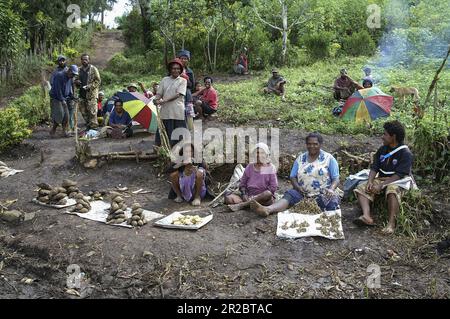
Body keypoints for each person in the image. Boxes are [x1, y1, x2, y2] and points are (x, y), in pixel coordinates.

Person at [251, 133, 340, 217]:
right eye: (309, 144)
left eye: (315, 144)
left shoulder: (329, 159)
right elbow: (292, 176)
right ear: (306, 144)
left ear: (320, 144)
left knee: (332, 201)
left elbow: (336, 178)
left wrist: (331, 189)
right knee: (290, 195)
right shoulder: (300, 158)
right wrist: (297, 187)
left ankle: (327, 218)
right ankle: (268, 209)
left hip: (322, 194)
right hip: (303, 195)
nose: (312, 146)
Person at [353, 121, 414, 234]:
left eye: (385, 134)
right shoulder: (382, 150)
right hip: (381, 178)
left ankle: (391, 224)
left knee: (392, 190)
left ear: (393, 136)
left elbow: (400, 175)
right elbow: (374, 167)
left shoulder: (405, 153)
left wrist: (382, 185)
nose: (382, 137)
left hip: (398, 181)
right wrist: (370, 181)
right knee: (362, 187)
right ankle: (367, 216)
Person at [225, 143, 278, 211]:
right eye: (257, 153)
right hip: (249, 196)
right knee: (228, 198)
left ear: (267, 155)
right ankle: (249, 204)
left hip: (263, 198)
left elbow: (273, 188)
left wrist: (255, 197)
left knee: (267, 194)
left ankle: (242, 205)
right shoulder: (250, 167)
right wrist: (244, 195)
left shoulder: (270, 167)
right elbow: (242, 184)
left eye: (262, 153)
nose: (259, 155)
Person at [154, 58, 187, 147]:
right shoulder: (164, 80)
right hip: (166, 109)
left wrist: (163, 100)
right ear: (170, 69)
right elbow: (159, 93)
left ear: (180, 70)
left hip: (177, 110)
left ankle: (179, 148)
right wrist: (156, 100)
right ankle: (164, 146)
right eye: (173, 68)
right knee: (165, 128)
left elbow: (178, 94)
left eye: (178, 69)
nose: (176, 70)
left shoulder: (183, 81)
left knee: (178, 130)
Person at [49, 65, 79, 137]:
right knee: (60, 115)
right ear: (69, 71)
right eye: (73, 74)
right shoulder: (60, 76)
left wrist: (73, 97)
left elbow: (68, 89)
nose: (73, 76)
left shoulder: (70, 77)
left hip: (64, 98)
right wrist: (62, 100)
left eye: (75, 75)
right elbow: (57, 90)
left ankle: (64, 132)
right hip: (56, 98)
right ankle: (53, 130)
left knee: (66, 116)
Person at [77, 53, 101, 130]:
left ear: (89, 60)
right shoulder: (79, 69)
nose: (84, 61)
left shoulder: (93, 69)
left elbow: (98, 81)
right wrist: (77, 82)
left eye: (86, 59)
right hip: (81, 94)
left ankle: (94, 128)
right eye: (83, 59)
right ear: (81, 60)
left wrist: (89, 86)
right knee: (83, 112)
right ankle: (88, 126)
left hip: (91, 94)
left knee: (92, 112)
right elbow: (75, 79)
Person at [177, 50, 195, 131]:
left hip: (187, 95)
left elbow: (192, 86)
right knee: (179, 113)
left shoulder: (190, 72)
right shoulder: (174, 70)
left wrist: (186, 79)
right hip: (176, 95)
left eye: (185, 58)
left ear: (188, 60)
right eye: (182, 58)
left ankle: (190, 130)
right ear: (179, 59)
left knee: (189, 113)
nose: (184, 60)